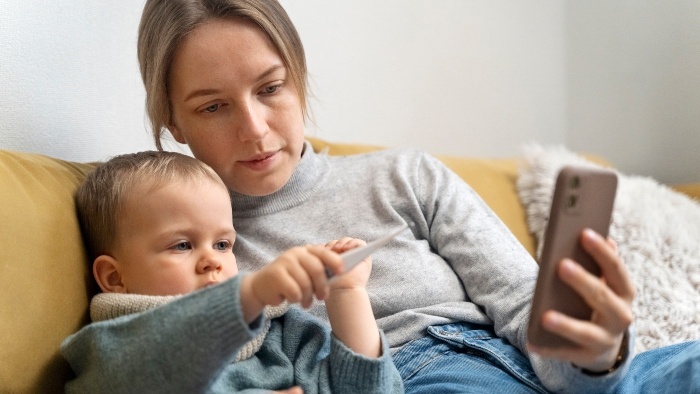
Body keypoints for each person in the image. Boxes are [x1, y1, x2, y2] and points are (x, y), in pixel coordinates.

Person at [136, 0, 700, 392]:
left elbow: (527, 308)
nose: (256, 129)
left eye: (271, 88)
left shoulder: (405, 175)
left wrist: (594, 354)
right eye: (213, 106)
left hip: (548, 371)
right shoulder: (190, 250)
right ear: (174, 121)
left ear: (300, 80)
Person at [60, 151, 404, 393]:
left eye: (223, 244)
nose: (213, 260)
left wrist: (347, 295)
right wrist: (249, 293)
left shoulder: (281, 333)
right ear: (115, 278)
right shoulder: (111, 346)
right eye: (182, 245)